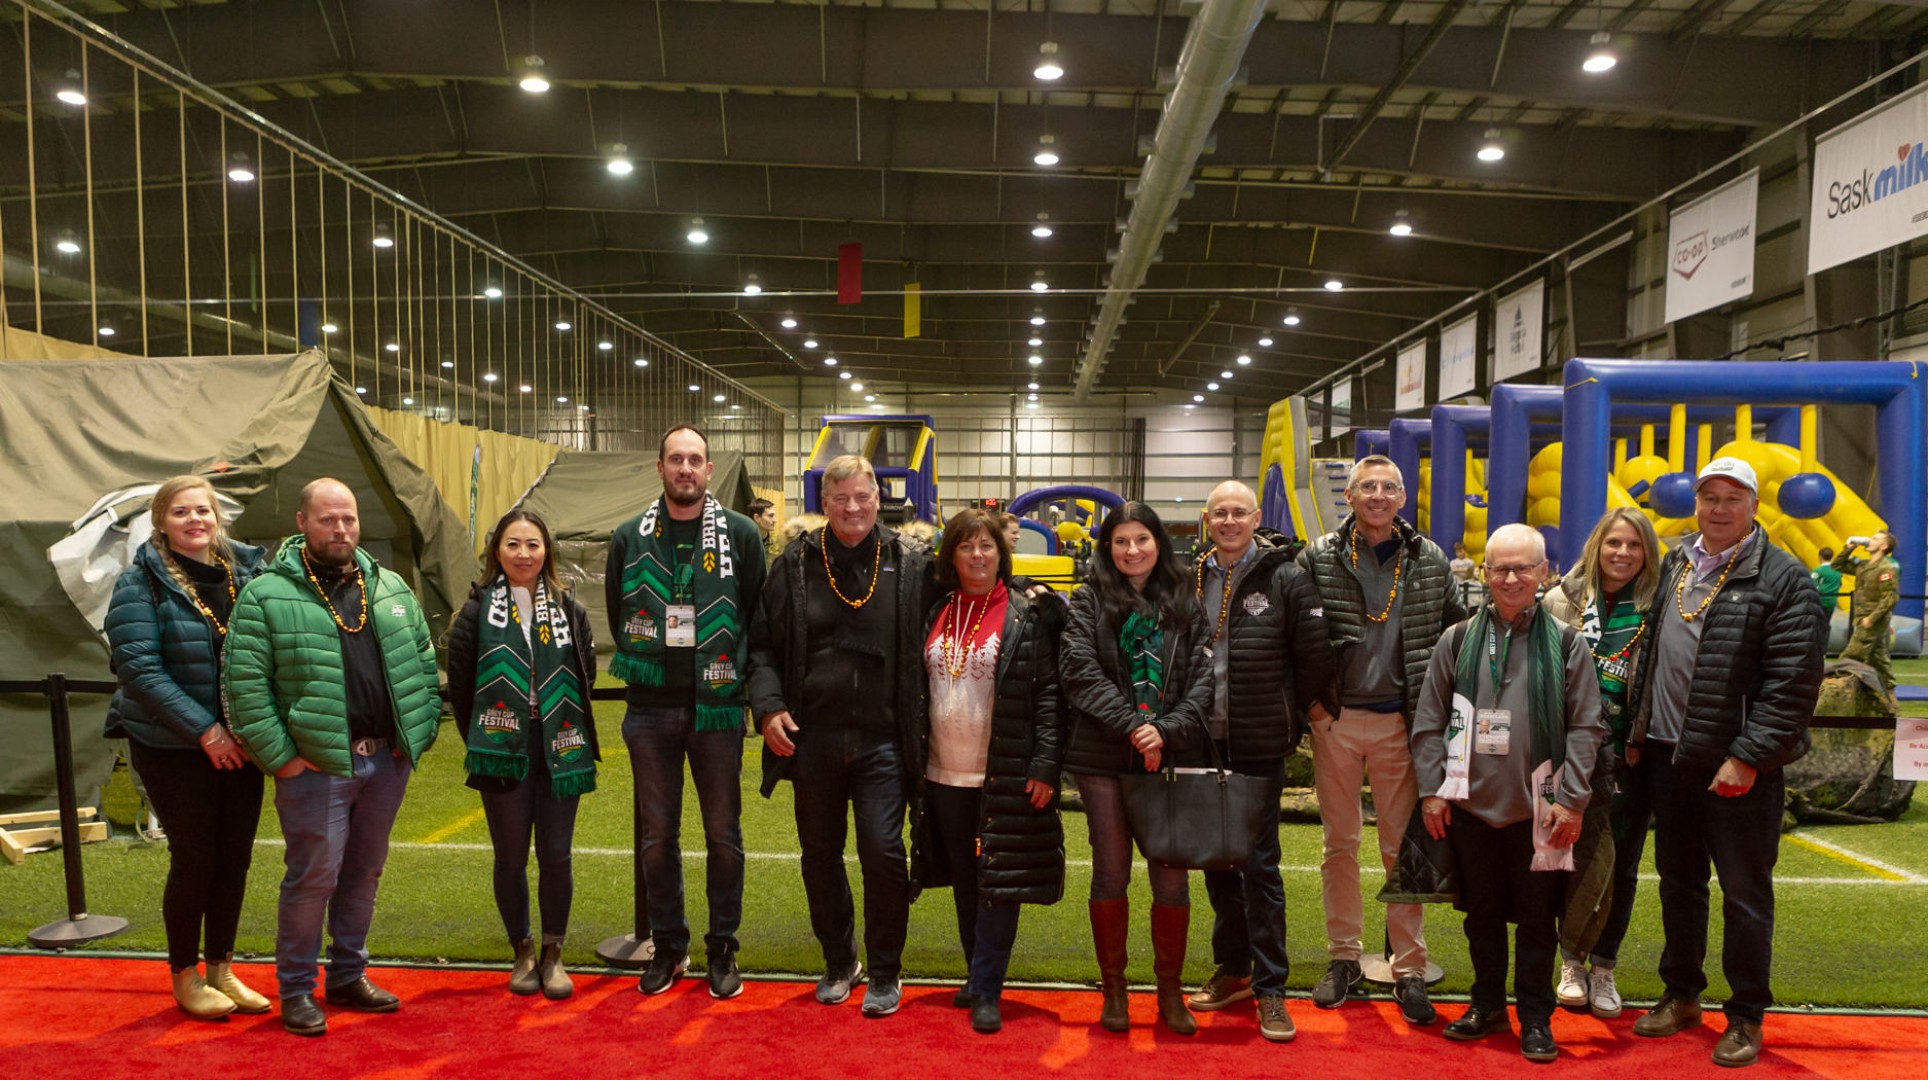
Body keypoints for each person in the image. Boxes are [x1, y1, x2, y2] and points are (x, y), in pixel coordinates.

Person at [225, 478, 442, 1038]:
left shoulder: (389, 586)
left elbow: (421, 659)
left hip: (384, 764)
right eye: (327, 519)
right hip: (315, 768)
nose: (340, 529)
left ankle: (348, 974)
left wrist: (412, 738)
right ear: (301, 523)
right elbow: (246, 687)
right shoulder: (266, 595)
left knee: (364, 873)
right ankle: (297, 988)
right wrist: (284, 759)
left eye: (347, 518)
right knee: (312, 877)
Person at [1627, 457, 1824, 1067]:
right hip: (1667, 756)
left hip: (1735, 769)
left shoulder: (1785, 579)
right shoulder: (1675, 563)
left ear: (1754, 507)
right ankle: (1682, 993)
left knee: (1743, 893)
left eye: (1731, 498)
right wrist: (1638, 727)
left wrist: (1747, 757)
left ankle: (1744, 1016)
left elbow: (1792, 684)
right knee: (1679, 886)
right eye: (1709, 497)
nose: (1717, 508)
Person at [747, 454, 935, 1018]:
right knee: (820, 854)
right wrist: (769, 707)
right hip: (813, 739)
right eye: (840, 499)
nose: (853, 508)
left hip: (884, 739)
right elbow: (760, 645)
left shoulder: (912, 562)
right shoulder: (794, 564)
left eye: (863, 496)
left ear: (880, 499)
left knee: (883, 853)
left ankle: (884, 970)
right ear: (823, 504)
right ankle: (838, 961)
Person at [1412, 524, 1604, 1063]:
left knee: (1540, 922)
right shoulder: (1457, 639)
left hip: (1542, 810)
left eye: (1524, 567)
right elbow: (1429, 720)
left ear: (1545, 572)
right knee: (1483, 917)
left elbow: (1587, 726)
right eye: (1501, 568)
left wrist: (1571, 798)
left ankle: (1537, 1018)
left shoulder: (1567, 644)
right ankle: (1488, 1006)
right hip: (1471, 807)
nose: (1512, 577)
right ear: (1484, 573)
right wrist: (1433, 791)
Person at [1296, 454, 1468, 1023]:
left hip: (1403, 723)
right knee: (1339, 843)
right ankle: (1343, 957)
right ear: (1348, 496)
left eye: (1387, 487)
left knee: (1402, 848)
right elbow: (1295, 631)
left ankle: (1409, 966)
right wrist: (1315, 705)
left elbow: (1455, 634)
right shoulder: (1319, 556)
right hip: (1336, 721)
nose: (1376, 494)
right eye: (1365, 486)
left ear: (1401, 498)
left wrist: (1440, 716)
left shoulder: (1430, 558)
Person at [608, 426, 766, 998]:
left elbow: (755, 613)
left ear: (708, 469)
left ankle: (722, 948)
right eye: (676, 459)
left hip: (717, 709)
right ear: (660, 467)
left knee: (723, 835)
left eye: (695, 460)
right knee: (657, 838)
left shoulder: (743, 536)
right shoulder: (629, 536)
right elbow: (617, 610)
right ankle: (671, 948)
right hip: (650, 709)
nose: (685, 468)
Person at [104, 476, 270, 1020]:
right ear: (161, 521)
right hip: (173, 745)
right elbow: (139, 668)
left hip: (243, 744)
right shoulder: (139, 583)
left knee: (235, 859)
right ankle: (185, 975)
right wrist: (206, 731)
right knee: (195, 858)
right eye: (181, 512)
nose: (194, 519)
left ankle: (222, 967)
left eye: (203, 510)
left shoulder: (249, 571)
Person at [1182, 481, 1335, 1043]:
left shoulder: (1287, 577)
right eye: (1218, 512)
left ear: (1255, 517)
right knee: (1215, 862)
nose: (1228, 520)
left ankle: (1273, 988)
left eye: (1238, 512)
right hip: (1201, 740)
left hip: (1259, 742)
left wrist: (1287, 715)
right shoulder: (1190, 576)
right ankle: (1235, 971)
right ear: (1206, 518)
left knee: (1260, 866)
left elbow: (1314, 654)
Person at [1059, 502, 1212, 1036]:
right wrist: (1133, 725)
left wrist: (1165, 731)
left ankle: (1170, 993)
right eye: (1120, 541)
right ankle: (1116, 989)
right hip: (1103, 758)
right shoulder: (1087, 598)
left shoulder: (1186, 600)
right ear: (1107, 547)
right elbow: (1077, 671)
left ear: (1158, 544)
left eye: (1141, 540)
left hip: (1171, 756)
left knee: (1171, 878)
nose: (1131, 551)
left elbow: (1204, 678)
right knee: (1111, 872)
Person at [914, 507, 1066, 1035]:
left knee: (997, 883)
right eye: (966, 547)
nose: (977, 556)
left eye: (987, 547)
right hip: (942, 772)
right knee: (963, 878)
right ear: (950, 556)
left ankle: (987, 989)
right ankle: (977, 972)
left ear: (1001, 555)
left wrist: (1046, 764)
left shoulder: (1027, 613)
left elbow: (1050, 696)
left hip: (1001, 771)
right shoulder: (933, 609)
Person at [447, 509, 600, 999]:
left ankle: (555, 953)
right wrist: (494, 733)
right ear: (497, 551)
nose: (524, 554)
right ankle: (524, 952)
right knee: (511, 857)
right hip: (503, 747)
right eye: (513, 544)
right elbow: (463, 686)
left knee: (556, 855)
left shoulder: (569, 608)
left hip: (558, 742)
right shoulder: (474, 611)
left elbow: (586, 675)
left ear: (547, 551)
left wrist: (552, 718)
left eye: (533, 544)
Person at [1540, 508, 1662, 1019]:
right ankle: (1570, 961)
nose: (1622, 554)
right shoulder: (1560, 601)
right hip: (1564, 758)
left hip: (1630, 757)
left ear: (1647, 553)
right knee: (1559, 862)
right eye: (1614, 543)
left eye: (1634, 545)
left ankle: (1605, 966)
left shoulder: (1659, 607)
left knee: (1622, 866)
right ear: (1596, 545)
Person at [1833, 532, 1900, 693]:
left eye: (1876, 539)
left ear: (1883, 546)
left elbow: (1890, 598)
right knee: (1879, 660)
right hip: (1861, 617)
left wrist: (1872, 618)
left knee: (1850, 657)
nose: (1870, 540)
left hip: (1872, 620)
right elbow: (1837, 565)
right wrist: (1849, 548)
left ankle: (1837, 692)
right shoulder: (1863, 566)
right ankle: (1889, 695)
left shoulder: (1886, 569)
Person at [749, 497, 781, 568]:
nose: (775, 520)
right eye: (771, 516)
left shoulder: (778, 543)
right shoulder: (745, 543)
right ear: (757, 518)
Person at [1811, 548, 1842, 619]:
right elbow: (1839, 585)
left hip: (1820, 601)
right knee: (1826, 623)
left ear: (1820, 557)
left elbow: (1812, 586)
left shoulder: (1817, 570)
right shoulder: (1838, 571)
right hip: (1832, 601)